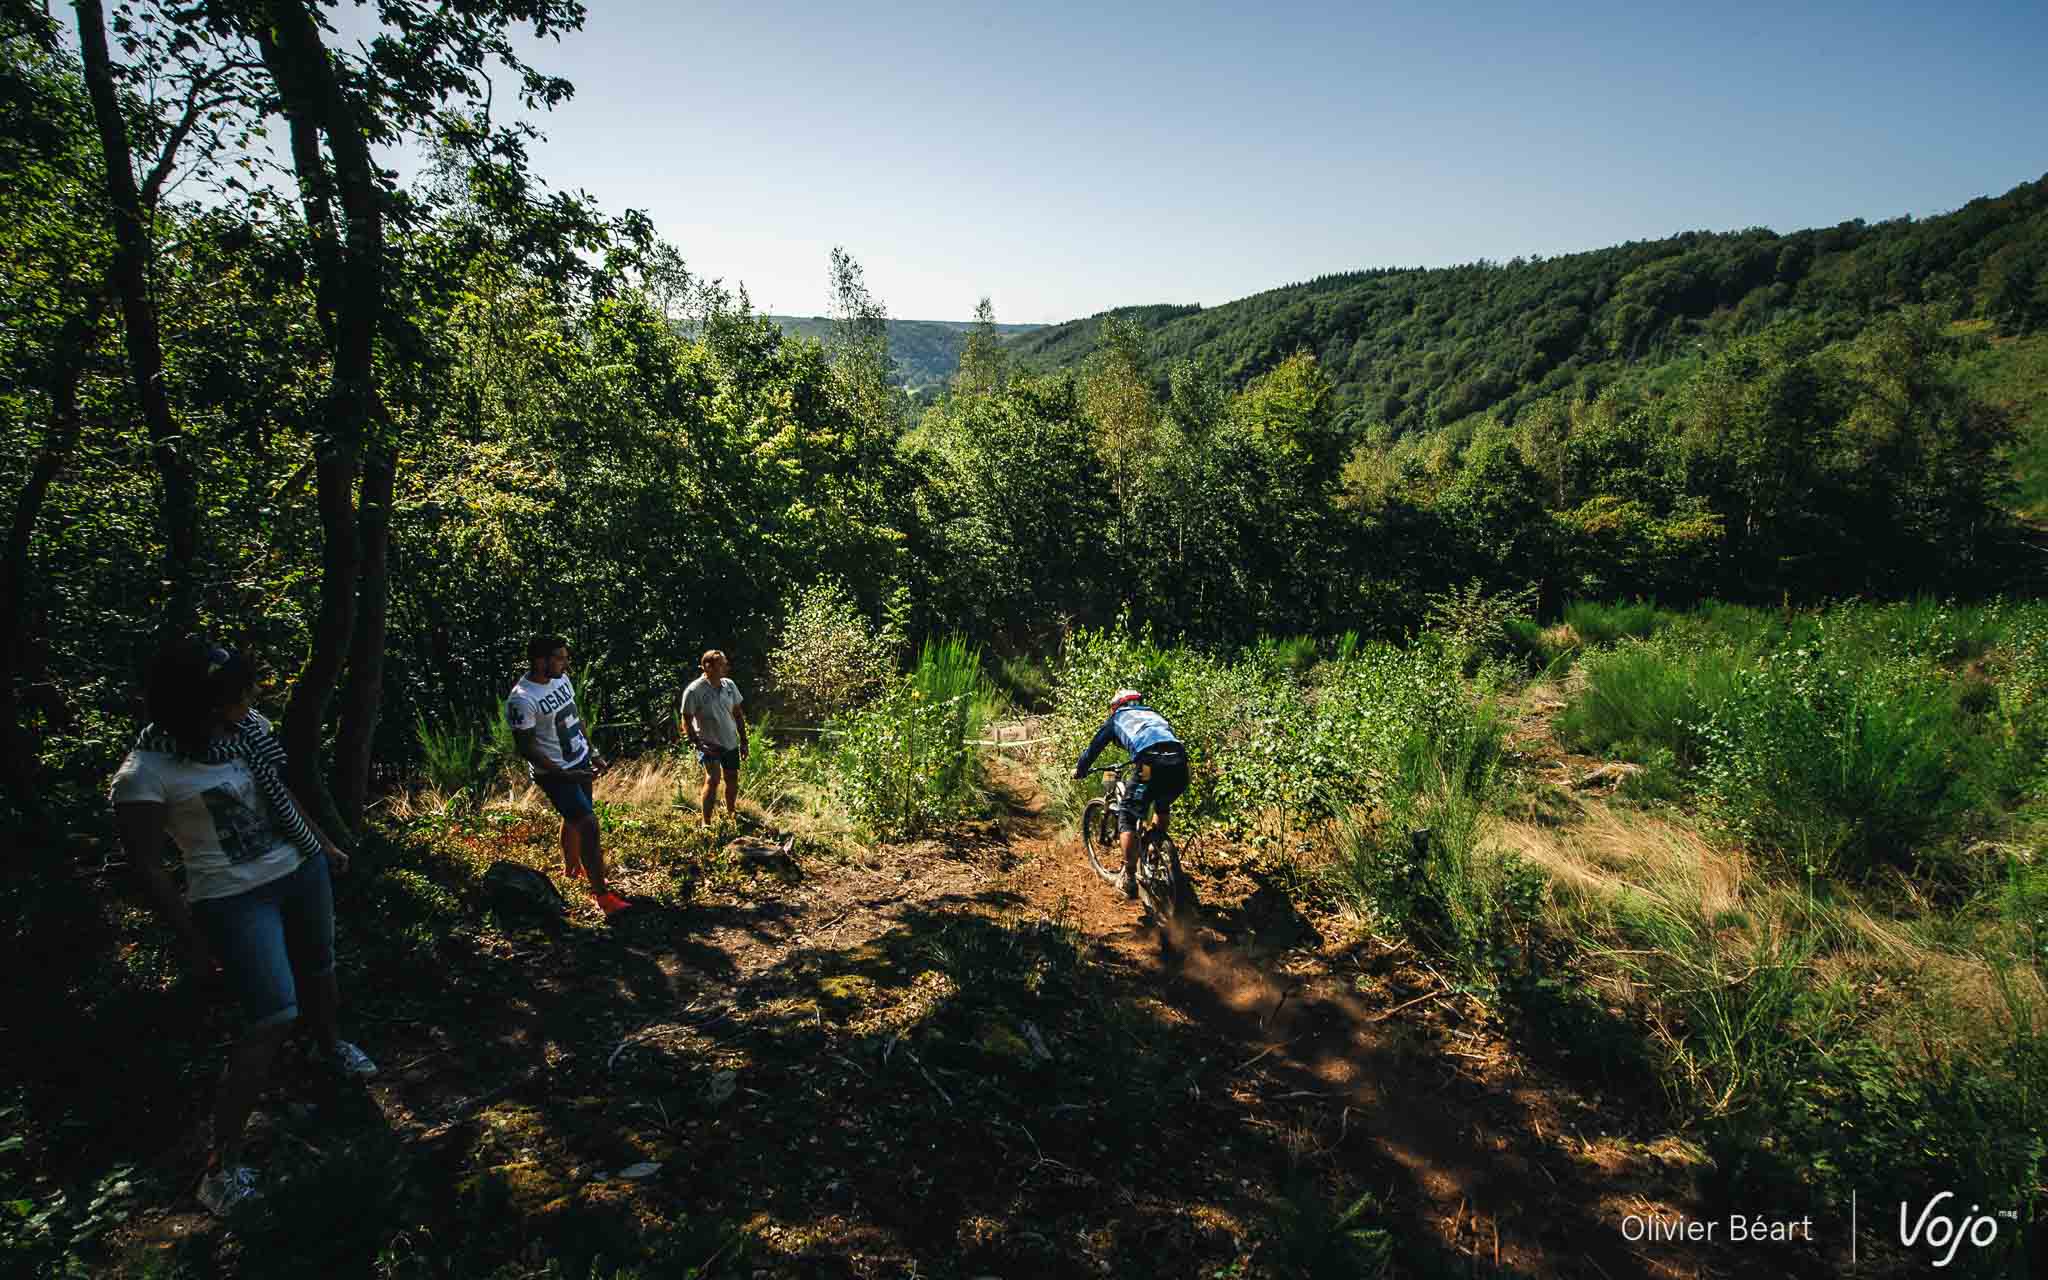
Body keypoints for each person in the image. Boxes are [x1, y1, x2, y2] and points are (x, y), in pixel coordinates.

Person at [108, 638, 378, 1217]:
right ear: (199, 706)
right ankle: (221, 1165)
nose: (250, 699)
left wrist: (323, 846)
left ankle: (331, 1048)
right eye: (235, 693)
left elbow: (280, 796)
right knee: (273, 1015)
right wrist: (191, 937)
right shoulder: (144, 774)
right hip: (232, 898)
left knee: (321, 965)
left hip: (299, 869)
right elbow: (150, 869)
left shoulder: (245, 730)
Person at [507, 634, 626, 917]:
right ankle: (603, 896)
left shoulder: (561, 679)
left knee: (573, 818)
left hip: (579, 760)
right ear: (540, 661)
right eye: (560, 657)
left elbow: (575, 716)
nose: (565, 663)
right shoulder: (522, 699)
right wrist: (561, 773)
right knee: (589, 824)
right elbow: (526, 747)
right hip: (555, 772)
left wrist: (593, 751)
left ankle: (572, 871)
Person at [1072, 689, 1190, 899]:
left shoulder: (1117, 718)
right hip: (1180, 763)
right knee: (1162, 801)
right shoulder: (1154, 714)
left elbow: (1093, 749)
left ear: (1116, 706)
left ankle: (1128, 877)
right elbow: (1163, 742)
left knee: (1127, 814)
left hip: (1149, 764)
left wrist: (1080, 770)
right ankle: (1156, 848)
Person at [679, 649, 749, 827]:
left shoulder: (729, 686)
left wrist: (744, 741)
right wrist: (697, 743)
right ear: (707, 666)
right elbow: (686, 719)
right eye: (722, 663)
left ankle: (731, 813)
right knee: (713, 779)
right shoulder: (694, 690)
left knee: (732, 777)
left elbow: (738, 714)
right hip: (708, 742)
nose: (726, 666)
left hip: (730, 740)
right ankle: (706, 822)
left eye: (725, 663)